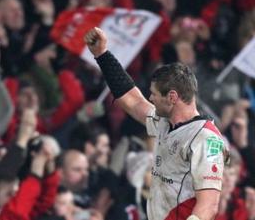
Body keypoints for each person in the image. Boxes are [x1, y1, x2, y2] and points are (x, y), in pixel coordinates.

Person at [84, 27, 227, 220]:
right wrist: (102, 55)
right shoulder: (163, 122)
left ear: (172, 97)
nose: (150, 98)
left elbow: (208, 205)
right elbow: (133, 101)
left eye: (154, 94)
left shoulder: (206, 138)